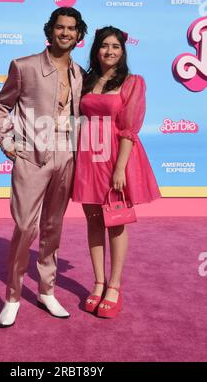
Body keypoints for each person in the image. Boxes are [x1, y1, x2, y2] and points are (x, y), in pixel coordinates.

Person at [0, 7, 87, 327]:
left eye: (72, 28)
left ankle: (47, 290)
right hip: (31, 157)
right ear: (51, 31)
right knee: (24, 227)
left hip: (67, 156)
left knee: (53, 228)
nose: (66, 33)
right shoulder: (25, 66)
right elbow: (2, 105)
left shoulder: (79, 73)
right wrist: (7, 143)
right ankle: (12, 296)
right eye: (60, 27)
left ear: (79, 34)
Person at [72, 26, 160, 318]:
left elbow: (129, 128)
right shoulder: (85, 80)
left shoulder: (132, 83)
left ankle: (114, 286)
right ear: (96, 49)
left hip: (114, 156)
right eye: (104, 46)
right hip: (87, 156)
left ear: (123, 51)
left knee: (116, 220)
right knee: (93, 220)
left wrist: (120, 168)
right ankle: (98, 283)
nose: (110, 51)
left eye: (116, 47)